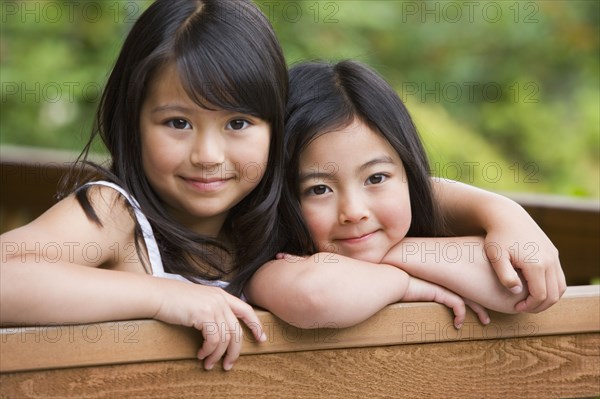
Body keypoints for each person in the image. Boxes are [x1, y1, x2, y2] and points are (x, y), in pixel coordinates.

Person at [0, 0, 289, 372]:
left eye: (237, 123)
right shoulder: (117, 215)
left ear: (276, 128)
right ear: (132, 122)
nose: (207, 155)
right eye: (178, 123)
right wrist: (163, 296)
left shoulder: (278, 228)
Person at [246, 60, 565, 329]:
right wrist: (408, 283)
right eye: (319, 189)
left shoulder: (406, 219)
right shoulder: (265, 263)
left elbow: (521, 286)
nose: (354, 211)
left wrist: (502, 212)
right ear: (281, 196)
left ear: (409, 174)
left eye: (376, 177)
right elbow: (314, 295)